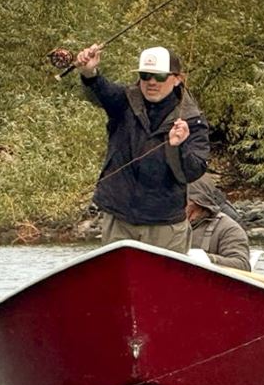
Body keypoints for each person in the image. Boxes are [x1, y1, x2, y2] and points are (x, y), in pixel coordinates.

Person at [74, 43, 210, 252]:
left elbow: (194, 171)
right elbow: (100, 90)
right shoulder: (123, 101)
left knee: (165, 284)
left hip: (166, 222)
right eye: (146, 75)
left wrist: (180, 146)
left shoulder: (192, 119)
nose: (152, 82)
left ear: (177, 80)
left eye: (160, 76)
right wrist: (89, 72)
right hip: (119, 216)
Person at [185, 176, 252, 271]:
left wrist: (209, 259)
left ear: (197, 202)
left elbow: (243, 265)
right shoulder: (167, 228)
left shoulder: (228, 228)